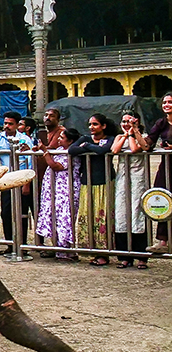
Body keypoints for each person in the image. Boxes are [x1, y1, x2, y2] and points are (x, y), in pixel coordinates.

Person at [0, 110, 34, 252]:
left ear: (16, 125)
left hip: (21, 179)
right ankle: (10, 244)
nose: (7, 126)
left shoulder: (25, 139)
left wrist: (27, 184)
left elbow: (30, 161)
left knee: (21, 213)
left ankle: (22, 245)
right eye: (5, 123)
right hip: (7, 180)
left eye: (10, 124)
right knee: (6, 212)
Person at [69, 114, 119, 267]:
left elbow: (104, 150)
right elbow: (72, 149)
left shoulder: (110, 138)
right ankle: (91, 249)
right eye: (90, 124)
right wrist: (91, 147)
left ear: (103, 126)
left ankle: (104, 253)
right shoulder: (85, 138)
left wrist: (88, 147)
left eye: (95, 124)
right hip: (87, 183)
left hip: (104, 183)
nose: (91, 127)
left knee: (103, 218)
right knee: (88, 216)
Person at [35, 126, 80, 262]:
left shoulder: (71, 153)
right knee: (54, 217)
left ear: (70, 141)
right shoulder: (60, 150)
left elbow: (56, 166)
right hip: (54, 190)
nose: (59, 140)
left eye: (62, 138)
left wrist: (45, 152)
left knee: (64, 219)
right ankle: (57, 248)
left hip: (65, 190)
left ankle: (66, 250)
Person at [112, 111, 149, 268]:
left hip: (138, 177)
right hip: (122, 178)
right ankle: (124, 255)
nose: (126, 123)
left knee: (137, 214)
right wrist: (126, 135)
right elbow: (115, 150)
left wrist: (133, 132)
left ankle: (141, 255)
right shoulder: (119, 137)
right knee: (121, 214)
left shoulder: (143, 136)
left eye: (129, 121)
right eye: (123, 121)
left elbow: (135, 149)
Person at [146, 92, 172, 253]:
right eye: (164, 103)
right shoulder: (161, 123)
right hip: (167, 167)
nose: (166, 105)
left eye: (170, 102)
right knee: (163, 199)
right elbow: (149, 141)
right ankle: (163, 241)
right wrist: (134, 131)